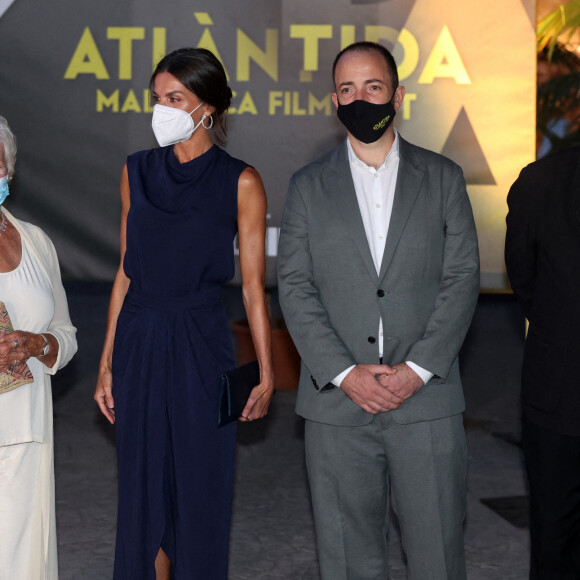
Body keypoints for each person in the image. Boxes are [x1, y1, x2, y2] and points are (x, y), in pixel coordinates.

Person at [277, 42, 480, 580]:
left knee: (438, 554)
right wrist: (345, 374)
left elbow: (462, 279)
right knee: (347, 559)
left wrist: (417, 370)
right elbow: (294, 286)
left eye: (373, 87)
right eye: (347, 89)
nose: (360, 98)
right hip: (338, 406)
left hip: (428, 401)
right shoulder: (306, 187)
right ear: (334, 101)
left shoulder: (443, 178)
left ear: (398, 95)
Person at [94, 48, 275, 580]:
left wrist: (264, 374)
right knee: (143, 486)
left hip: (202, 342)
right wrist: (106, 362)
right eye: (157, 98)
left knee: (200, 485)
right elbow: (125, 272)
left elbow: (253, 291)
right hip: (140, 337)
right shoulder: (137, 171)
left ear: (209, 108)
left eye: (175, 98)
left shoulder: (242, 181)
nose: (161, 110)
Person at [0, 115, 78, 579]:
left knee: (21, 557)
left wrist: (39, 343)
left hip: (27, 431)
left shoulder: (36, 242)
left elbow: (66, 336)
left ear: (10, 170)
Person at [505, 146, 580, 579]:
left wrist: (558, 326)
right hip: (558, 387)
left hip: (558, 381)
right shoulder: (537, 180)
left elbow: (524, 276)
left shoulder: (538, 179)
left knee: (554, 528)